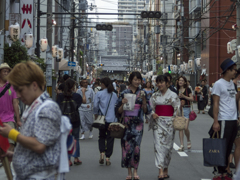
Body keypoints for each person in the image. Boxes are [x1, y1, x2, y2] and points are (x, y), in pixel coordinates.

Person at [0, 61, 62, 179]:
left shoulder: (47, 108)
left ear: (34, 85)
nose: (18, 94)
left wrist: (12, 134)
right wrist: (15, 154)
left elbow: (39, 145)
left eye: (21, 90)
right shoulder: (35, 107)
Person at [116, 71, 151, 180]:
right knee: (127, 147)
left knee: (136, 148)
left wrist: (144, 102)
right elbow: (118, 111)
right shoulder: (124, 93)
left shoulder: (143, 93)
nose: (137, 82)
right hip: (126, 123)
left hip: (138, 124)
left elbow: (146, 111)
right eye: (135, 79)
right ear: (130, 80)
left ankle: (135, 171)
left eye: (139, 79)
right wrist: (122, 103)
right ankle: (129, 172)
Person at [211, 58, 240, 180]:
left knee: (229, 147)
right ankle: (220, 172)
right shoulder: (218, 84)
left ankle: (225, 171)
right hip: (224, 119)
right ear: (227, 70)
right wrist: (216, 121)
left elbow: (234, 100)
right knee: (222, 147)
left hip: (233, 119)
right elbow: (216, 103)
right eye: (233, 70)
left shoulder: (232, 84)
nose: (235, 72)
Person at [148, 75, 180, 180]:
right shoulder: (154, 96)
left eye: (162, 82)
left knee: (168, 147)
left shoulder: (173, 95)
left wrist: (175, 119)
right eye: (158, 82)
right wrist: (153, 114)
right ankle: (160, 169)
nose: (159, 84)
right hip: (158, 122)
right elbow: (150, 108)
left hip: (170, 123)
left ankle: (166, 167)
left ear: (167, 83)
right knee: (158, 146)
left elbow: (176, 109)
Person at [57, 78, 85, 166]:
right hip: (75, 120)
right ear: (73, 87)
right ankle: (76, 158)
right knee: (76, 138)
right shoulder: (76, 96)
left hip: (64, 121)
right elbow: (84, 101)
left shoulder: (61, 96)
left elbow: (57, 108)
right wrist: (83, 92)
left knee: (66, 139)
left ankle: (68, 159)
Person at [93, 77, 118, 166]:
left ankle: (102, 153)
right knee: (110, 138)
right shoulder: (114, 94)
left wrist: (95, 114)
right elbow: (116, 107)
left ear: (103, 84)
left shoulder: (99, 93)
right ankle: (108, 158)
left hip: (102, 119)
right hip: (112, 119)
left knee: (102, 136)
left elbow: (95, 105)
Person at [0, 63, 21, 152]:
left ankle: (8, 164)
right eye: (4, 71)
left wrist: (18, 120)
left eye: (8, 72)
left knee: (11, 144)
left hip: (9, 119)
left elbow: (15, 103)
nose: (6, 73)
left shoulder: (12, 86)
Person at [177, 76, 194, 151]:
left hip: (187, 108)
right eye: (179, 80)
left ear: (184, 82)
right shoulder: (176, 90)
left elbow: (192, 99)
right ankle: (181, 145)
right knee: (181, 128)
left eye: (182, 80)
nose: (180, 81)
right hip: (179, 110)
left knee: (186, 127)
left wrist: (184, 96)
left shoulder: (188, 89)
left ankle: (188, 139)